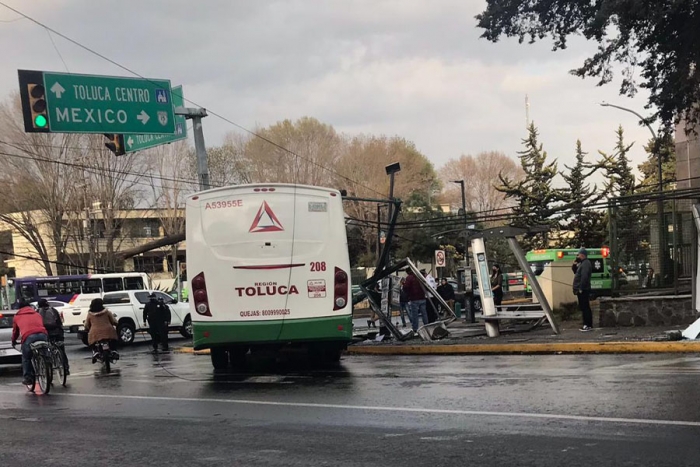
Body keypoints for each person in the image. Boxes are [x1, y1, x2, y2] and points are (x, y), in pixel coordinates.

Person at [11, 300, 48, 386]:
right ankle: (47, 367)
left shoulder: (17, 316)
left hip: (29, 336)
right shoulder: (37, 314)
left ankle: (28, 378)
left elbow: (15, 332)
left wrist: (13, 341)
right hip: (43, 334)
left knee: (26, 358)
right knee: (45, 352)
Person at [37, 298, 69, 375]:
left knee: (44, 350)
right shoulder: (53, 310)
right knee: (61, 350)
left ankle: (48, 367)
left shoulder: (37, 312)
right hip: (57, 332)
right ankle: (66, 368)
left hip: (45, 333)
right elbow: (59, 322)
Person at [573, 248, 593, 331]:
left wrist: (581, 287)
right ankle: (587, 324)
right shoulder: (582, 264)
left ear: (582, 255)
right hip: (582, 288)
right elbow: (576, 273)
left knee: (585, 307)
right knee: (584, 307)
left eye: (579, 255)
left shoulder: (585, 264)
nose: (578, 256)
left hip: (583, 289)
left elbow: (584, 277)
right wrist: (574, 265)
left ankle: (587, 324)